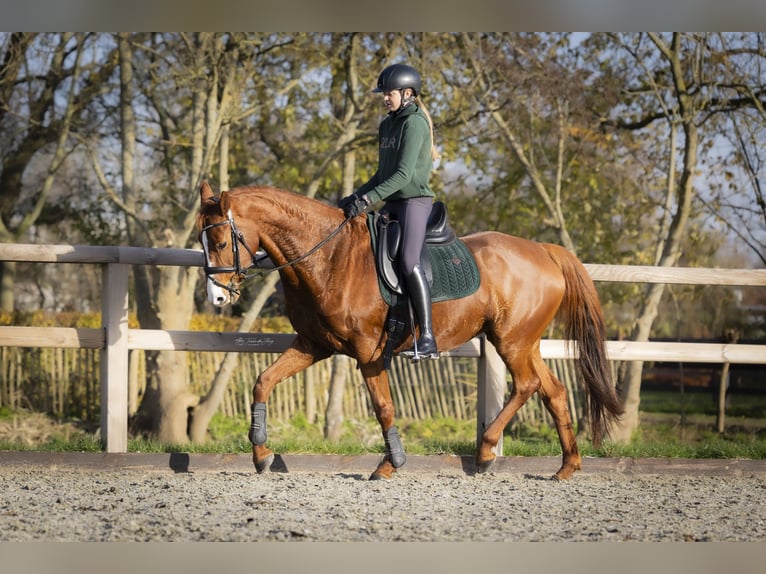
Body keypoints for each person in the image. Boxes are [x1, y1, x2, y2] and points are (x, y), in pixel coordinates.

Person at [338, 63, 440, 361]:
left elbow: (405, 176)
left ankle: (428, 337)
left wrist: (369, 199)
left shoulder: (415, 123)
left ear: (407, 93)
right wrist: (356, 196)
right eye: (383, 93)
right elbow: (383, 174)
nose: (385, 98)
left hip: (414, 202)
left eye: (389, 93)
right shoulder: (387, 124)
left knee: (408, 261)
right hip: (391, 201)